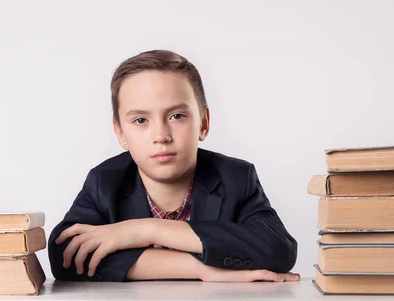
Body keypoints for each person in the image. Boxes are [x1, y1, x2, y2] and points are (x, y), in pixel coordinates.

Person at [48, 49, 298, 283]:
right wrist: (201, 269)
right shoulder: (105, 182)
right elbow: (65, 257)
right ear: (121, 133)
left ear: (203, 122)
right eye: (140, 120)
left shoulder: (236, 178)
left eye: (176, 116)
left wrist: (147, 230)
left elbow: (278, 249)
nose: (161, 135)